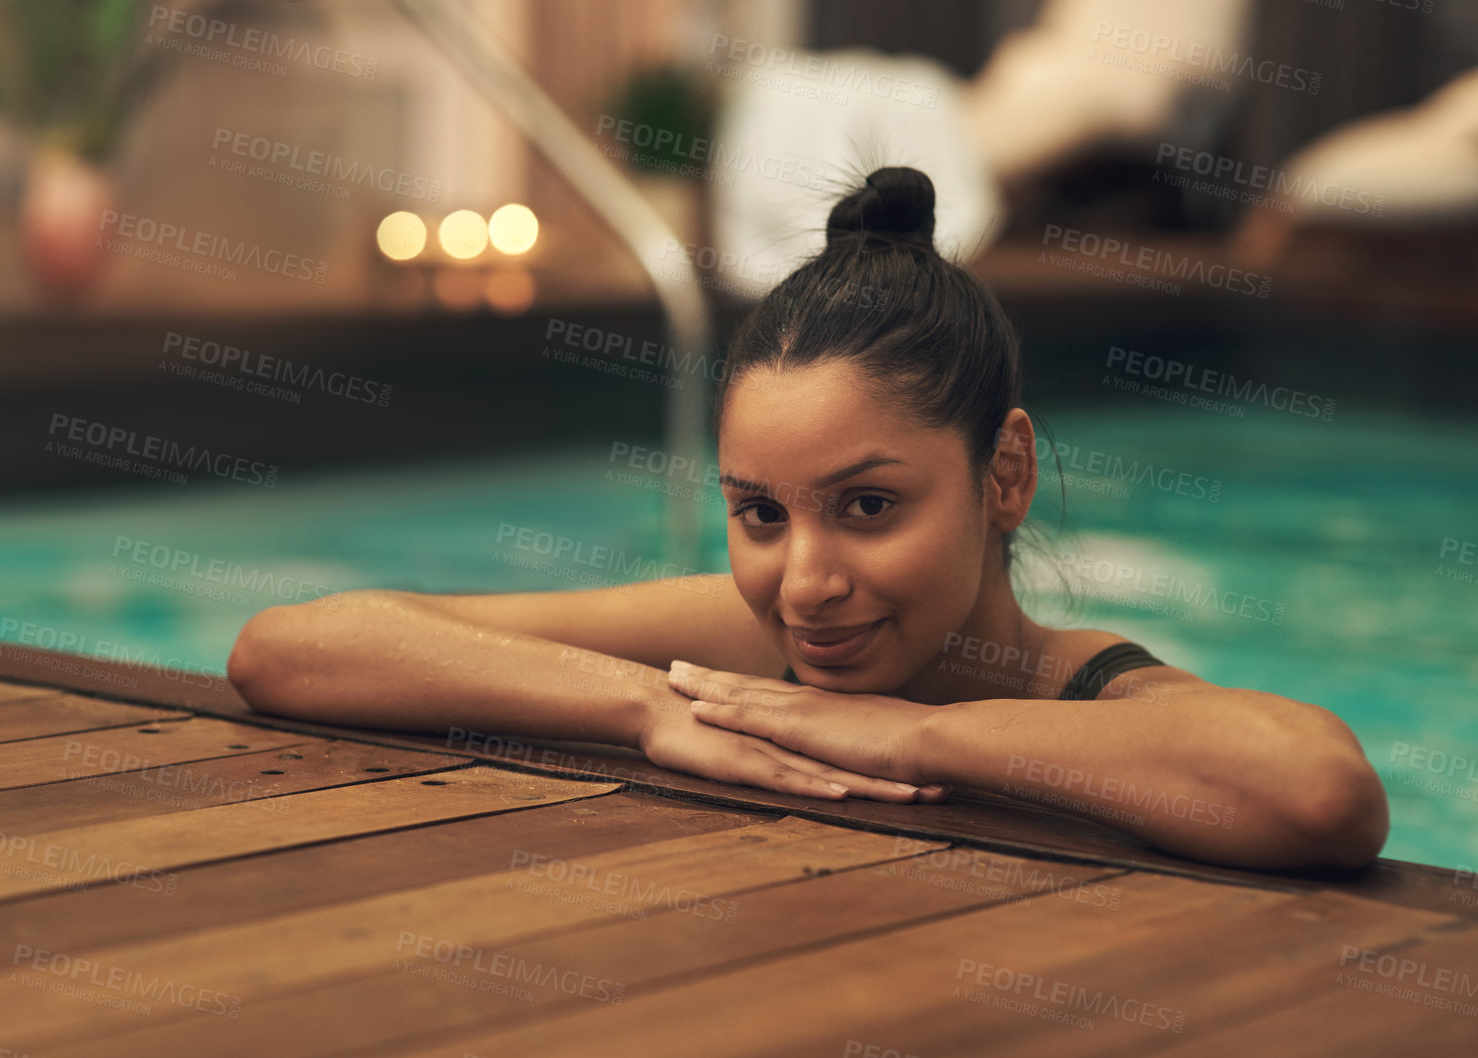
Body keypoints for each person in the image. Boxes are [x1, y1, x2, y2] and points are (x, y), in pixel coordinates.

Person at [227, 166, 1387, 872]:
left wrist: (912, 735)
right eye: (760, 514)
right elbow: (291, 647)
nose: (805, 583)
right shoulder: (748, 648)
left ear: (1006, 474)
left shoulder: (1086, 690)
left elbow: (1318, 791)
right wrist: (636, 706)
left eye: (869, 506)